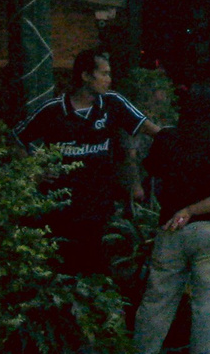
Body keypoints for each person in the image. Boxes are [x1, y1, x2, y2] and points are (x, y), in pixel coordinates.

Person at [115, 84, 210, 354]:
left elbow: (150, 171)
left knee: (157, 299)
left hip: (170, 229)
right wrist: (192, 210)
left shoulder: (167, 139)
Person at [18, 49, 149, 273]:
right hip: (61, 209)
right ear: (86, 76)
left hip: (100, 206)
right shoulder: (53, 111)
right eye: (104, 74)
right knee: (61, 268)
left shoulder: (112, 104)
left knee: (97, 267)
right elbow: (18, 138)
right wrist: (34, 172)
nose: (109, 79)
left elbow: (149, 129)